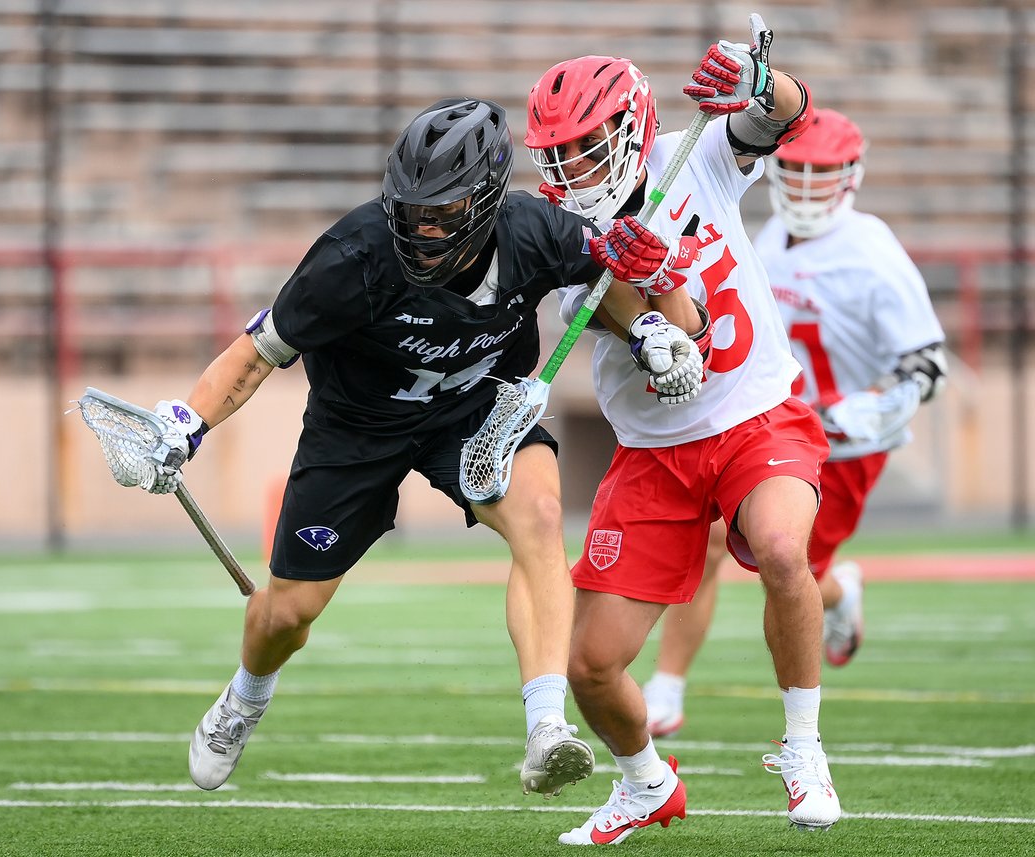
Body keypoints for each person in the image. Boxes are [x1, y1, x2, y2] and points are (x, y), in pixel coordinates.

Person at [141, 98, 705, 801]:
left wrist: (647, 331)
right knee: (286, 614)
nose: (422, 226)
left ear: (489, 202)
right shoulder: (353, 256)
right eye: (411, 209)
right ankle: (244, 698)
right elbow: (256, 353)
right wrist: (184, 424)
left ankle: (546, 726)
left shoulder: (533, 230)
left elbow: (604, 275)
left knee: (536, 516)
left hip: (474, 409)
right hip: (355, 428)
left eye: (442, 210)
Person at [524, 16, 844, 843]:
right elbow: (675, 345)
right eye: (558, 152)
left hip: (754, 414)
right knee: (589, 664)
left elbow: (789, 113)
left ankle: (803, 747)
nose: (570, 167)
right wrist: (647, 287)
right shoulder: (571, 238)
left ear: (631, 130)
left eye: (587, 146)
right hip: (655, 452)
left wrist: (753, 77)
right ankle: (645, 783)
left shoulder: (689, 155)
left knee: (779, 546)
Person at [641, 107, 948, 740]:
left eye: (823, 172)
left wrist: (883, 400)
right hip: (770, 426)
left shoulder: (872, 250)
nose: (807, 186)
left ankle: (842, 598)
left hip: (846, 442)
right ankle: (666, 688)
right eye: (797, 170)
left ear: (851, 177)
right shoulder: (767, 239)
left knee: (795, 573)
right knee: (710, 543)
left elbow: (927, 362)